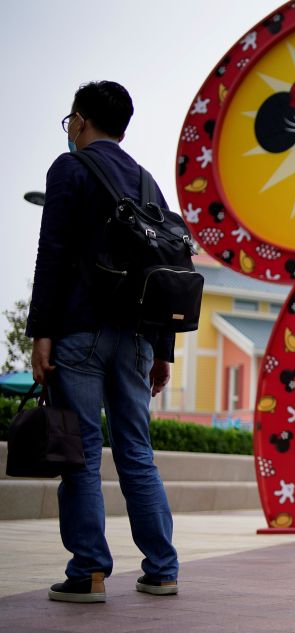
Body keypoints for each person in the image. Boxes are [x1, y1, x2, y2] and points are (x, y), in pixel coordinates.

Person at [27, 81, 180, 603]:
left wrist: (41, 332)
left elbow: (53, 253)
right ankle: (162, 569)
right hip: (138, 339)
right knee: (138, 453)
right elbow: (163, 265)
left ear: (79, 120)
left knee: (81, 454)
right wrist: (163, 349)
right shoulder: (145, 181)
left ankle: (88, 572)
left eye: (70, 120)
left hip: (80, 334)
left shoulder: (69, 169)